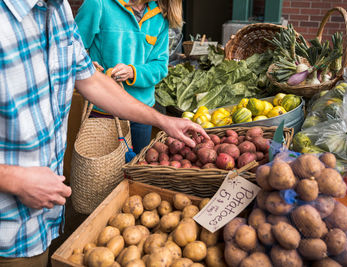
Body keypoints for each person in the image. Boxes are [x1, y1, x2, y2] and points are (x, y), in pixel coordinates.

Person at [0, 0, 207, 265]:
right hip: (7, 230)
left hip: (43, 224)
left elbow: (88, 78)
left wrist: (163, 121)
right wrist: (13, 179)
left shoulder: (58, 9)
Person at [75, 0, 182, 154]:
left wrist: (133, 72)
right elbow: (72, 48)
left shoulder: (160, 16)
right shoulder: (98, 4)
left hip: (142, 113)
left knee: (135, 171)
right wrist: (89, 64)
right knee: (102, 173)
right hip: (105, 110)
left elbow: (160, 66)